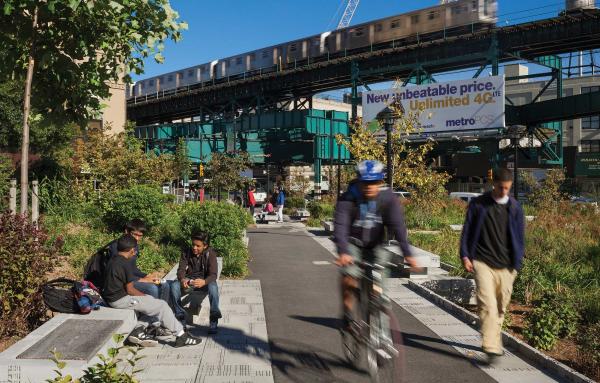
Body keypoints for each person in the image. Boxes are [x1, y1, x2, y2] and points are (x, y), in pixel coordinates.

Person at [334, 160, 418, 330]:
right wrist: (343, 251)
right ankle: (348, 314)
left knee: (380, 284)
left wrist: (408, 253)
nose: (369, 186)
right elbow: (341, 227)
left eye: (373, 182)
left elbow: (398, 226)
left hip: (376, 245)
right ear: (358, 181)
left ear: (380, 182)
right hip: (353, 243)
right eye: (365, 182)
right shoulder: (348, 198)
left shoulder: (388, 198)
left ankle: (381, 329)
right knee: (349, 275)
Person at [459, 168, 525, 364]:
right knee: (487, 304)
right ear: (493, 183)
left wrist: (517, 263)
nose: (504, 191)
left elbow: (520, 238)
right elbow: (467, 231)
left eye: (507, 188)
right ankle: (491, 347)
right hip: (482, 262)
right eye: (500, 187)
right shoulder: (479, 204)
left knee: (501, 307)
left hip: (507, 266)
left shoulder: (515, 208)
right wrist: (465, 255)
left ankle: (494, 340)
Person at [105, 234, 202, 347]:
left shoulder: (114, 259)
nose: (135, 252)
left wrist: (148, 299)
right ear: (132, 250)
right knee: (161, 306)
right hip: (120, 300)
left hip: (115, 297)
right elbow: (130, 290)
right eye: (135, 250)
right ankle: (182, 336)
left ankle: (139, 329)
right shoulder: (125, 263)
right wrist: (145, 297)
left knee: (154, 304)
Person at [169, 232, 222, 334]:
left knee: (213, 287)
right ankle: (180, 317)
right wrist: (183, 279)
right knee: (174, 285)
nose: (194, 247)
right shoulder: (186, 252)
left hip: (205, 282)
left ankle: (214, 318)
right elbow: (181, 270)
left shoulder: (210, 253)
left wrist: (204, 282)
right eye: (193, 244)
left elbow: (213, 275)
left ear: (205, 246)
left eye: (198, 246)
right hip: (190, 281)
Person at [107, 219, 164, 300]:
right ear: (126, 231)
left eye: (140, 236)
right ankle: (151, 310)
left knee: (164, 284)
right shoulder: (117, 246)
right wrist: (143, 280)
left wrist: (147, 276)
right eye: (135, 234)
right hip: (121, 283)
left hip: (131, 279)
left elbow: (133, 268)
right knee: (152, 288)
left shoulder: (134, 245)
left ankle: (162, 308)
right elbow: (121, 273)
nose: (137, 238)